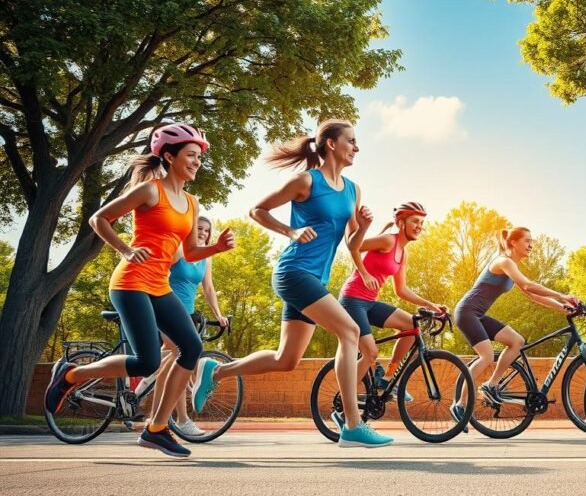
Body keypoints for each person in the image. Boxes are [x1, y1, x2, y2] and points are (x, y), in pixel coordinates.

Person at [191, 119, 392, 447]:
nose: (357, 147)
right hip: (293, 272)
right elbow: (257, 210)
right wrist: (290, 231)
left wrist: (365, 225)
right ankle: (353, 424)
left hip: (316, 278)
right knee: (350, 331)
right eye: (351, 141)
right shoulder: (306, 181)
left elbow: (353, 243)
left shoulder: (353, 190)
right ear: (331, 144)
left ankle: (214, 372)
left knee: (287, 360)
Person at [45, 124, 235, 457]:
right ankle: (72, 374)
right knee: (147, 362)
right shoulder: (150, 191)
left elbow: (190, 253)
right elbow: (99, 219)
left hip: (159, 285)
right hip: (131, 283)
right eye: (191, 156)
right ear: (169, 156)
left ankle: (157, 429)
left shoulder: (191, 202)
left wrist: (215, 248)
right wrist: (125, 249)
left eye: (199, 158)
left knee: (190, 347)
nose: (196, 162)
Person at [451, 227, 578, 425]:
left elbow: (533, 295)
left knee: (516, 341)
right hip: (466, 312)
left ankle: (491, 385)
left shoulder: (511, 267)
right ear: (513, 243)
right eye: (527, 241)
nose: (531, 245)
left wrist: (562, 307)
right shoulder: (503, 261)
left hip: (478, 314)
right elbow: (528, 285)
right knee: (485, 355)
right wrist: (562, 295)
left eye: (532, 241)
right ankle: (460, 404)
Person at [339, 201, 446, 400]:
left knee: (410, 327)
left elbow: (402, 290)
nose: (419, 226)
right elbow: (354, 246)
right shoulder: (388, 240)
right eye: (415, 221)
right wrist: (363, 274)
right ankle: (347, 403)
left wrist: (431, 305)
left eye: (422, 222)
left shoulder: (402, 253)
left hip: (369, 302)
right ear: (401, 222)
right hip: (352, 299)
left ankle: (387, 378)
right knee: (371, 352)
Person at [148, 215, 228, 436]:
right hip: (165, 309)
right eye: (199, 229)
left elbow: (209, 288)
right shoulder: (180, 251)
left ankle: (153, 418)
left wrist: (219, 315)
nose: (202, 233)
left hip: (187, 314)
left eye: (206, 230)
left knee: (172, 363)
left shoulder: (207, 257)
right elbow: (158, 273)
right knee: (182, 360)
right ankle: (182, 421)